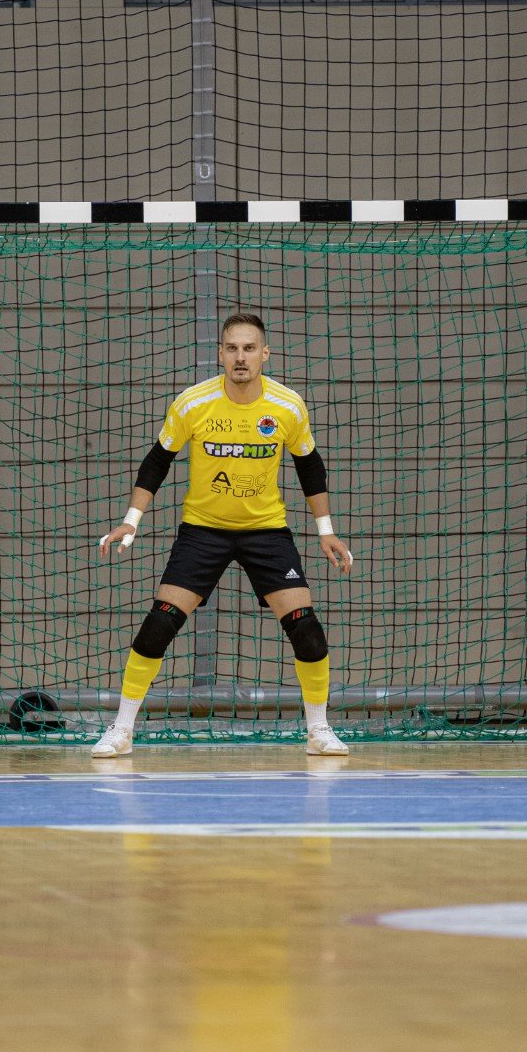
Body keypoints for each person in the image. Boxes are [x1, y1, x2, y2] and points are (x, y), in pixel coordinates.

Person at [93, 312, 354, 758]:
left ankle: (319, 730)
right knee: (158, 626)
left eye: (249, 348)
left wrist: (326, 531)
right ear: (220, 354)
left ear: (264, 354)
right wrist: (131, 519)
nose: (240, 357)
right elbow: (158, 460)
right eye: (232, 348)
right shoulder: (194, 402)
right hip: (203, 532)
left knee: (307, 630)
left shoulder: (288, 405)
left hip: (266, 531)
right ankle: (121, 730)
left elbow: (309, 464)